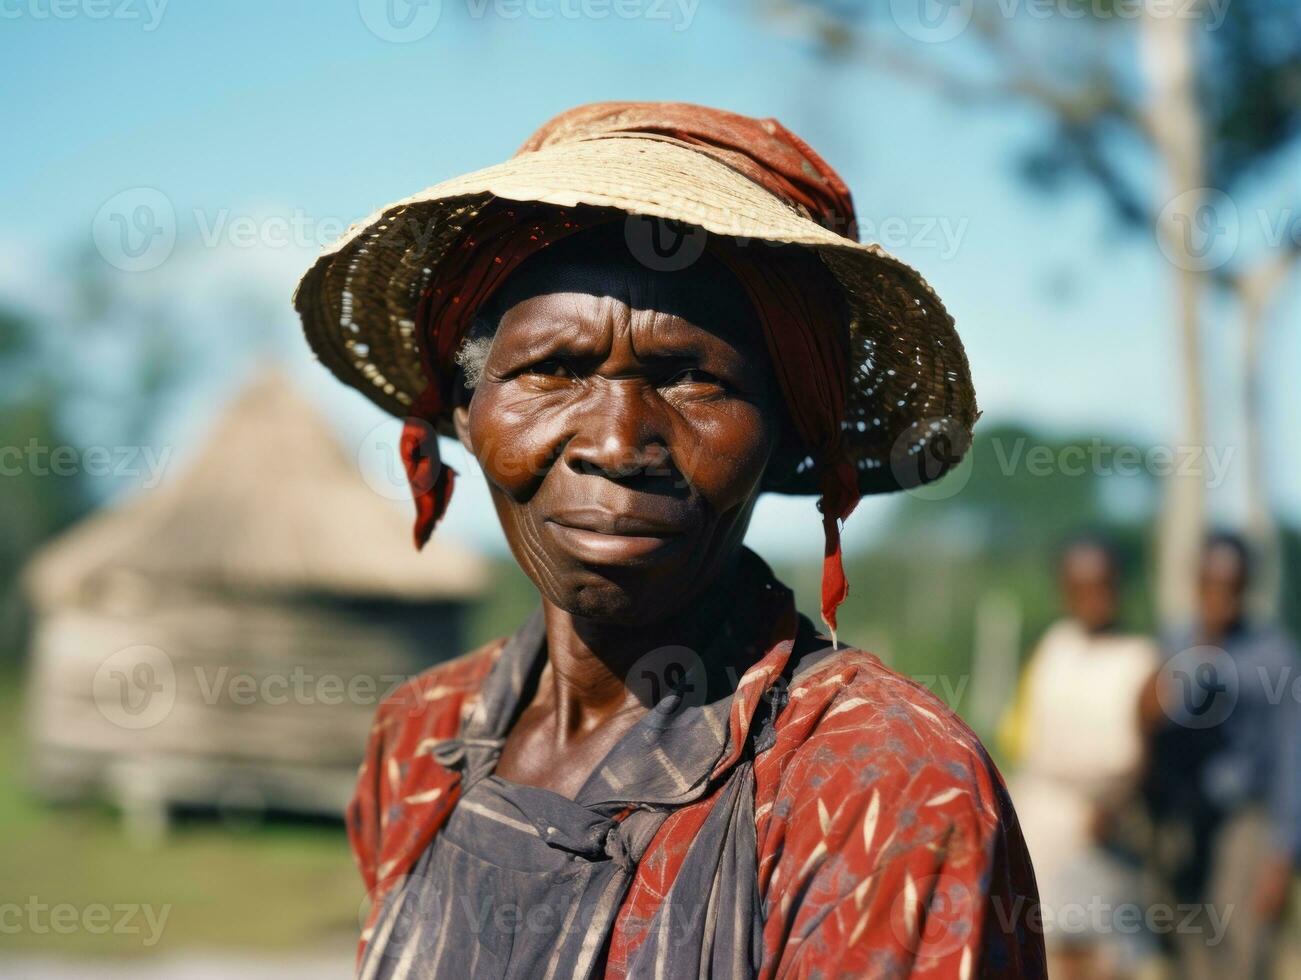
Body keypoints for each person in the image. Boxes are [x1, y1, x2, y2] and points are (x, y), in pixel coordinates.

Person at [294, 102, 1045, 978]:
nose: (616, 444)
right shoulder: (419, 738)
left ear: (789, 433)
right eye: (554, 370)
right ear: (466, 413)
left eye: (691, 378)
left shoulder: (877, 783)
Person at [1000, 538, 1160, 979]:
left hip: (1101, 821)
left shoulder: (1141, 659)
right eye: (1080, 587)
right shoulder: (1054, 648)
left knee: (1102, 952)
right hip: (1043, 816)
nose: (1093, 598)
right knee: (1045, 947)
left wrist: (1113, 806)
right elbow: (1022, 736)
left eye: (1102, 586)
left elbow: (1147, 756)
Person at [1144, 532, 1300, 979]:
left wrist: (1282, 856)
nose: (1219, 594)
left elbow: (1293, 755)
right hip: (1183, 822)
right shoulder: (1173, 643)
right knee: (1183, 949)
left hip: (1246, 822)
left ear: (1246, 586)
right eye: (1209, 582)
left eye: (1230, 584)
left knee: (1239, 951)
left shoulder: (1274, 656)